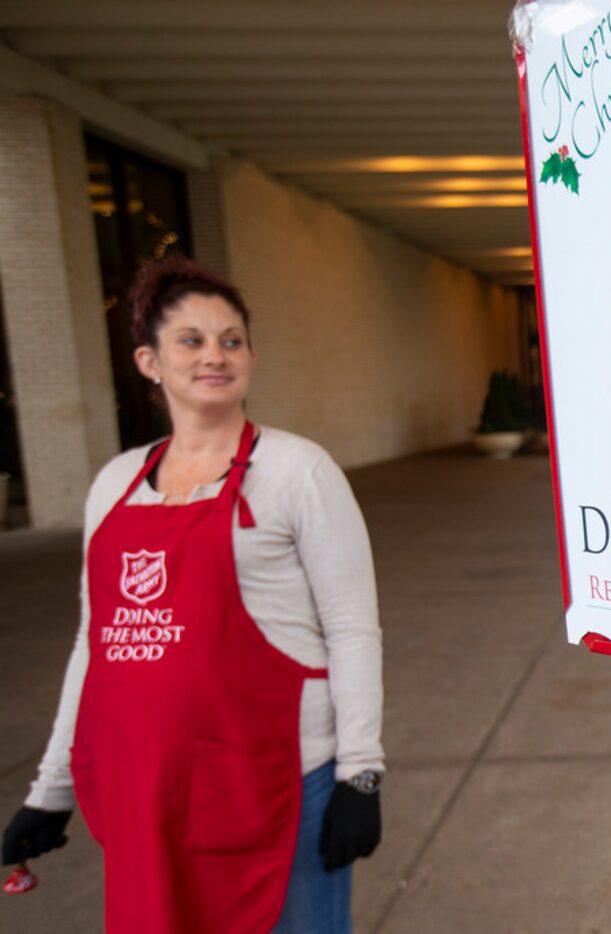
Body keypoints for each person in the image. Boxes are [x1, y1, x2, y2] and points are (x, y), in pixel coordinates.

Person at [1, 256, 385, 933]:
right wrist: (51, 790)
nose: (216, 355)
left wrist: (360, 775)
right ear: (149, 362)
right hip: (148, 790)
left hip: (280, 782)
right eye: (193, 340)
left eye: (231, 340)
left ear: (251, 356)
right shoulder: (115, 482)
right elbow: (98, 645)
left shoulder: (298, 471)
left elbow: (352, 629)